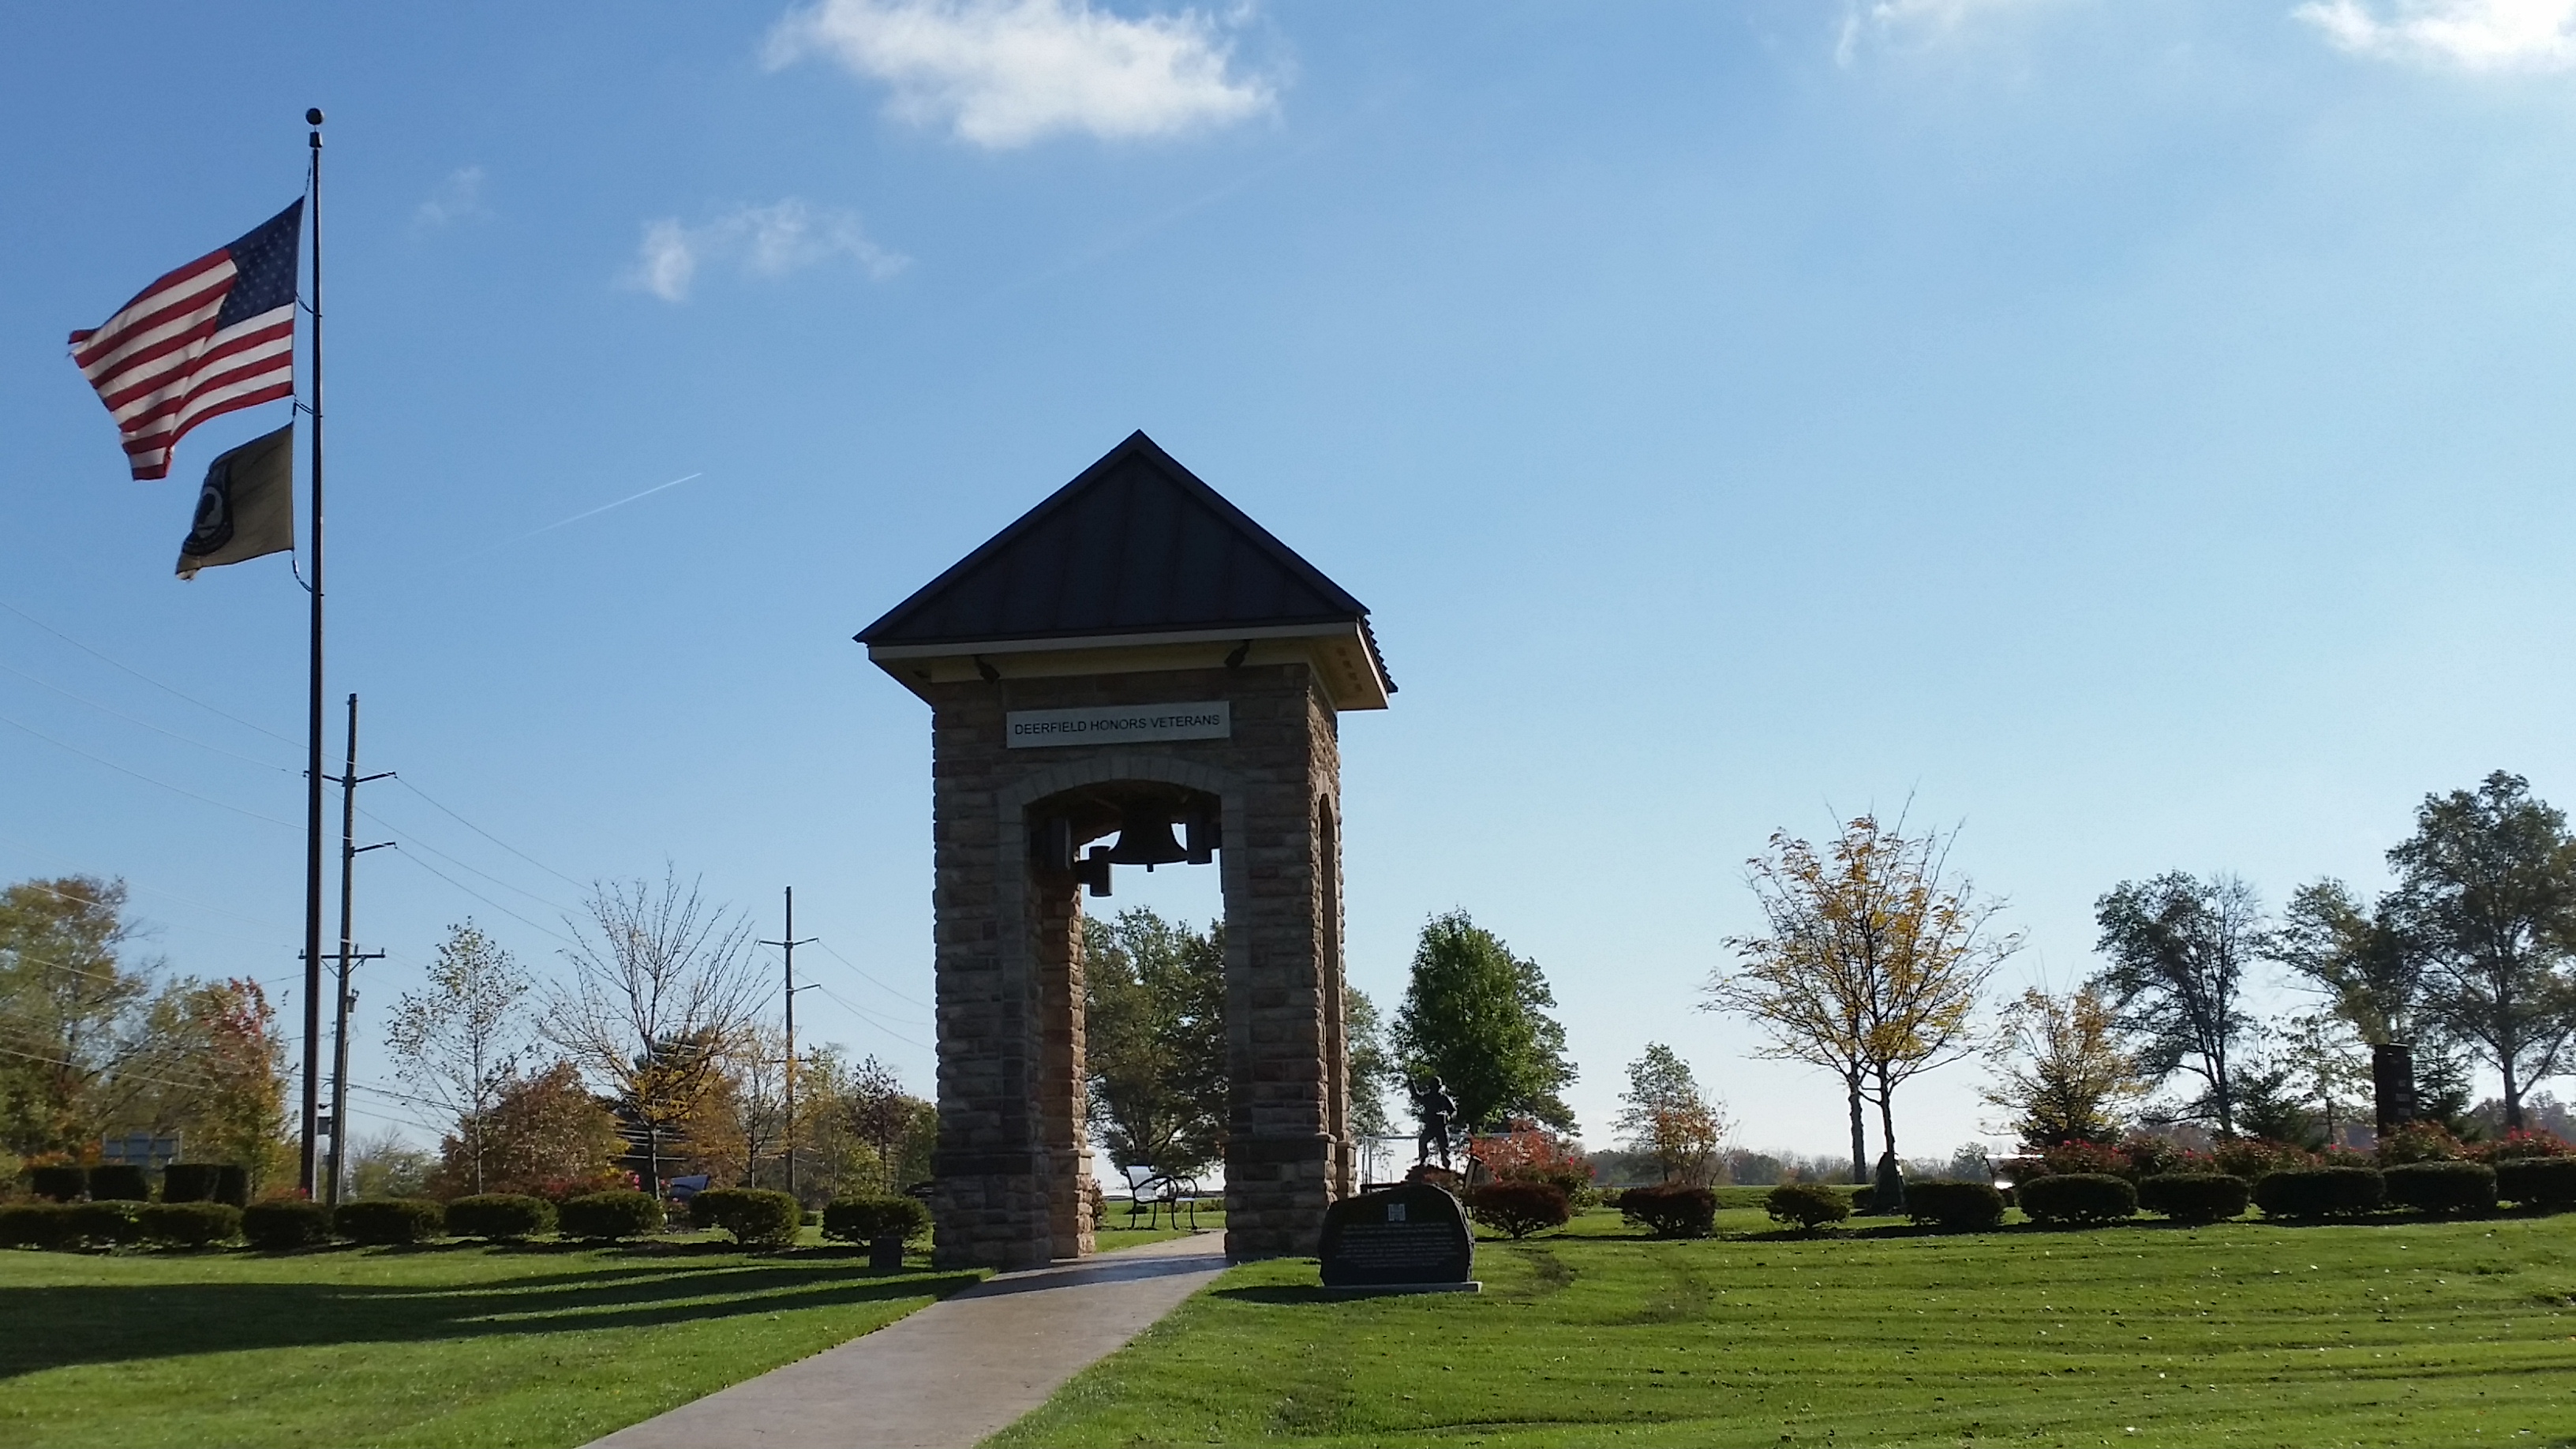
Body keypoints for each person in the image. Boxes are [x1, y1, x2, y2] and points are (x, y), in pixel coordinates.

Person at [1412, 1076, 1458, 1170]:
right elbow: (1417, 1097)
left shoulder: (1443, 1098)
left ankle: (1446, 1166)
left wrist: (1448, 1117)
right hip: (1431, 1125)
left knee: (1444, 1149)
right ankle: (1423, 1159)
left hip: (1441, 1125)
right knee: (1422, 1141)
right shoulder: (1428, 1097)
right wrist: (1412, 1085)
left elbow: (1453, 1110)